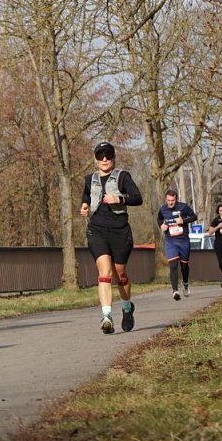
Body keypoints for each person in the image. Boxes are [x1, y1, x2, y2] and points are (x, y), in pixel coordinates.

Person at [80, 141, 143, 335]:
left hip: (119, 231)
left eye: (108, 155)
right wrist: (84, 206)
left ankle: (127, 308)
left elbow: (137, 198)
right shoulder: (90, 179)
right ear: (95, 159)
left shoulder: (122, 177)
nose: (104, 159)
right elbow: (86, 196)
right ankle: (106, 316)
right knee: (104, 273)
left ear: (113, 157)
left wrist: (119, 199)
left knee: (120, 275)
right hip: (97, 230)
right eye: (100, 156)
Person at [157, 189, 197, 300]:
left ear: (176, 199)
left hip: (183, 241)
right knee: (173, 265)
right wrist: (161, 225)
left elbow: (194, 217)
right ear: (166, 199)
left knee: (184, 266)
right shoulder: (163, 209)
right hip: (170, 241)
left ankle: (185, 283)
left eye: (173, 200)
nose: (171, 203)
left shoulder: (183, 207)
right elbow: (159, 219)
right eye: (169, 200)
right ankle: (175, 291)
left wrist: (183, 221)